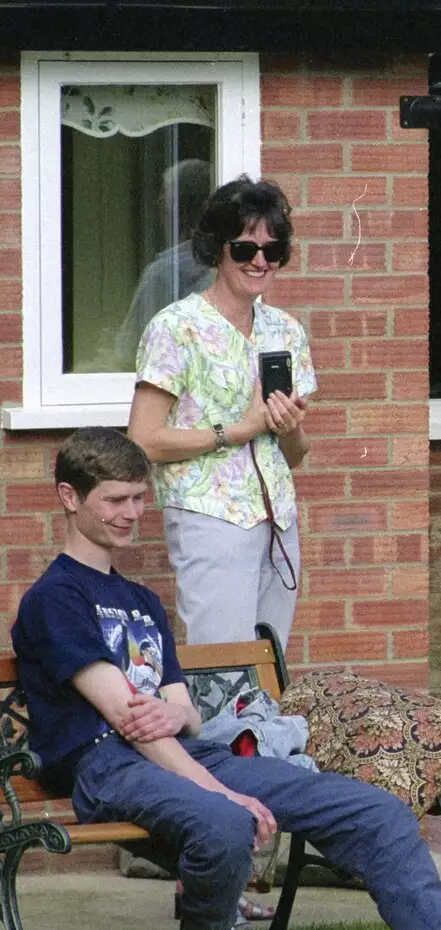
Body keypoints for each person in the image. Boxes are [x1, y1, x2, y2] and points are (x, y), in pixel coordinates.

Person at [11, 428, 441, 930]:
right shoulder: (55, 599)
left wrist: (179, 718)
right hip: (106, 769)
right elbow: (130, 722)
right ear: (70, 497)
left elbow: (184, 711)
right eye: (115, 500)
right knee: (223, 819)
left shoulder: (141, 601)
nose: (132, 514)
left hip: (181, 754)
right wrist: (218, 784)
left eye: (139, 499)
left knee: (371, 807)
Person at [127, 175, 313, 647]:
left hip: (278, 521)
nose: (259, 261)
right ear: (216, 248)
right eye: (245, 248)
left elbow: (293, 453)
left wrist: (287, 428)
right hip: (209, 518)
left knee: (272, 665)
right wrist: (236, 430)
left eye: (272, 251)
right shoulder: (177, 327)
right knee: (222, 666)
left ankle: (263, 727)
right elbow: (143, 440)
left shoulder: (286, 332)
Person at [114, 158, 216, 368]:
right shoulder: (224, 266)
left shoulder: (162, 273)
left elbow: (127, 354)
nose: (158, 205)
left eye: (164, 199)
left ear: (180, 208)